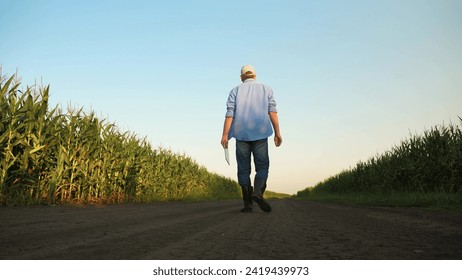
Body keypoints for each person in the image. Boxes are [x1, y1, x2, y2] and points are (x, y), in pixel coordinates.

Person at [221, 65, 282, 212]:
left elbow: (230, 114)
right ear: (254, 75)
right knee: (262, 166)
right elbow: (272, 112)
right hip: (260, 134)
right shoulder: (266, 89)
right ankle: (258, 192)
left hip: (241, 135)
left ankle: (247, 204)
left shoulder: (235, 91)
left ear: (242, 77)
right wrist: (277, 133)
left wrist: (225, 135)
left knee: (243, 169)